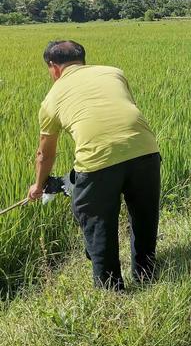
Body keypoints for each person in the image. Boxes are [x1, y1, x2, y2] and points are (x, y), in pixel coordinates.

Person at [28, 41, 161, 290]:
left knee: (98, 224)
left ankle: (111, 290)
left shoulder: (51, 99)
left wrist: (38, 185)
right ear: (82, 60)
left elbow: (45, 154)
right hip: (146, 151)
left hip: (98, 163)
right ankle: (147, 276)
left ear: (53, 67)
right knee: (145, 217)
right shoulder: (114, 72)